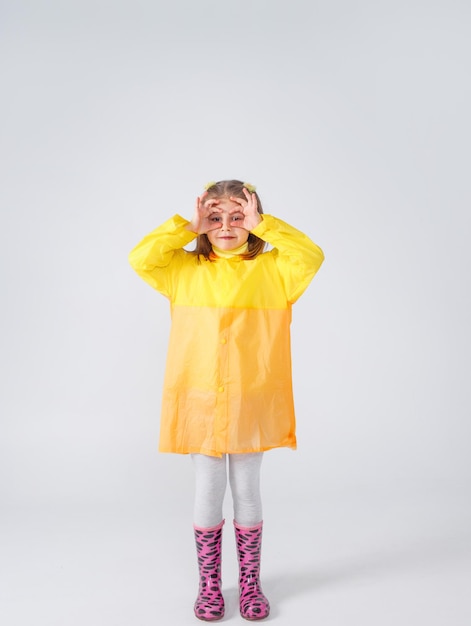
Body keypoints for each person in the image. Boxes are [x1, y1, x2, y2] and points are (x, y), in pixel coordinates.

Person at [129, 180, 324, 621]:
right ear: (204, 222)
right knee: (209, 490)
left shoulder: (275, 270)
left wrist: (268, 225)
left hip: (251, 399)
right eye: (215, 217)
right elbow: (141, 258)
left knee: (247, 490)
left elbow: (311, 256)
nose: (226, 226)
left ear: (253, 219)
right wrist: (186, 226)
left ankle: (251, 583)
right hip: (199, 400)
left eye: (238, 216)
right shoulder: (183, 268)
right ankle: (211, 586)